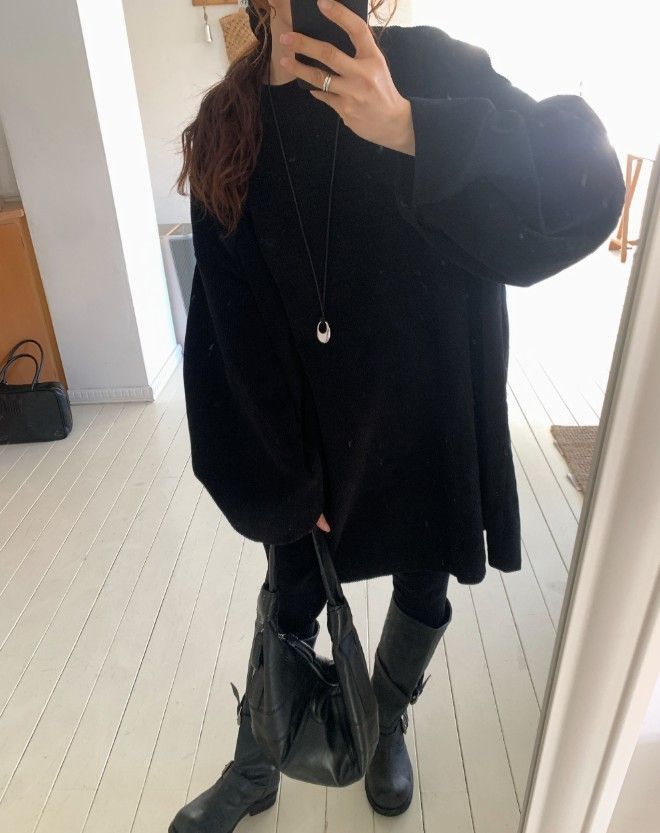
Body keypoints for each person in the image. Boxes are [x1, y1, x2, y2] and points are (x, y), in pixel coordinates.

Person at [169, 1, 626, 831]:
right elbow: (229, 328)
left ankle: (384, 720)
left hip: (428, 413)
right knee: (292, 595)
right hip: (307, 433)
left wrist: (415, 129)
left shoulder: (433, 70)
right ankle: (258, 760)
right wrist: (284, 475)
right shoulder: (228, 124)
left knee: (424, 576)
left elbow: (587, 179)